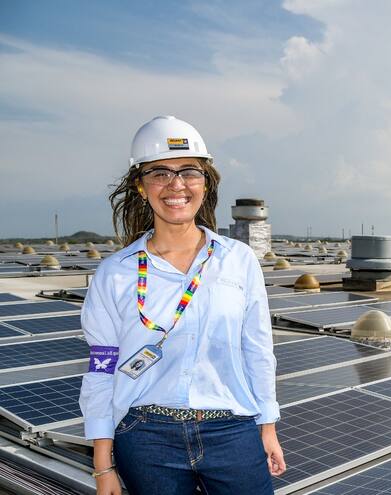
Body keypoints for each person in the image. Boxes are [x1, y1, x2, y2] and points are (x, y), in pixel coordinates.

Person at [80, 116, 285, 495]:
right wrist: (103, 464)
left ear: (205, 183)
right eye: (159, 173)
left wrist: (267, 427)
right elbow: (101, 368)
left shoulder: (238, 260)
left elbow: (257, 349)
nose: (176, 185)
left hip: (232, 429)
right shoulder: (114, 274)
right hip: (146, 437)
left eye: (189, 171)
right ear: (141, 187)